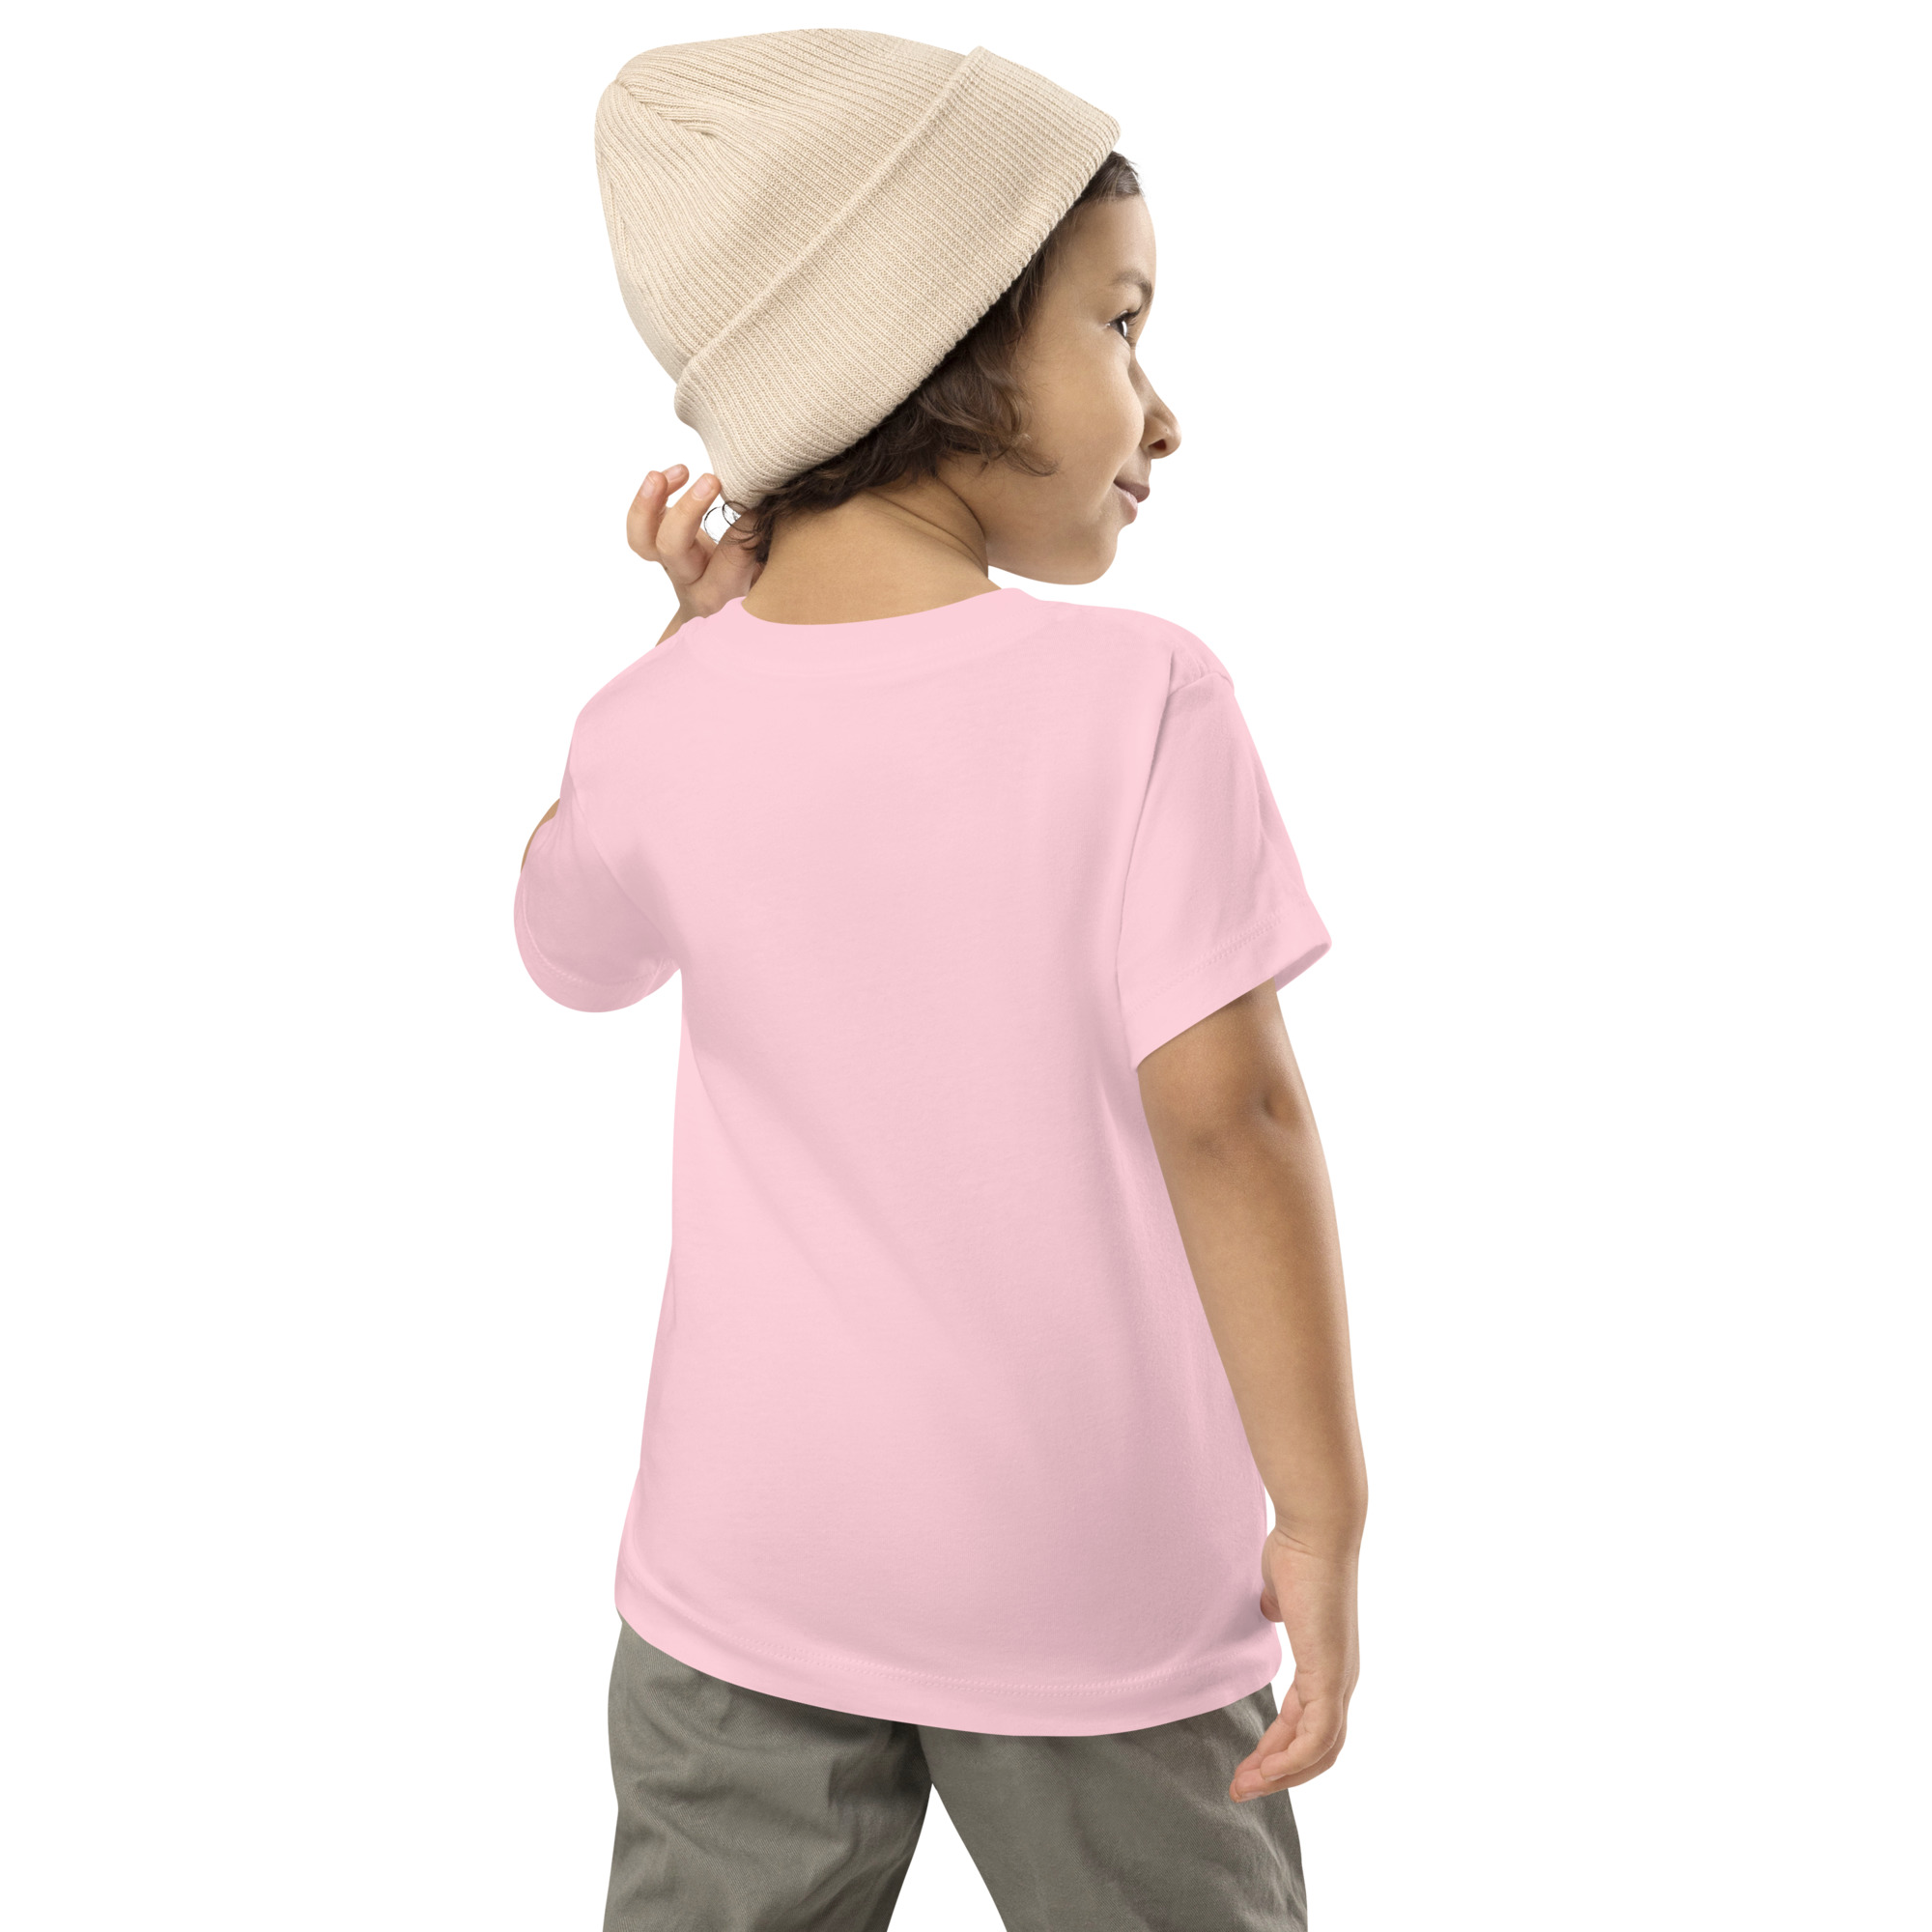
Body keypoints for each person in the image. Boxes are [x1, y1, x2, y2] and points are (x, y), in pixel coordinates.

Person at [516, 29, 1368, 1929]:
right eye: (1121, 324)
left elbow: (564, 950)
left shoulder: (660, 721)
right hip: (1083, 1581)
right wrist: (1320, 1511)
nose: (1162, 412)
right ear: (941, 343)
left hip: (742, 1566)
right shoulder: (1139, 697)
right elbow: (1230, 1116)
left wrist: (680, 655)